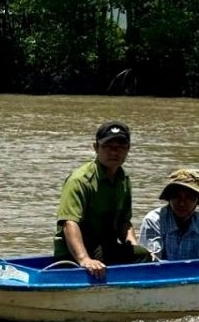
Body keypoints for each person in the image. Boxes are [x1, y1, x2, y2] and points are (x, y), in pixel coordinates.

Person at [54, 120, 152, 280]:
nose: (114, 152)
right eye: (108, 146)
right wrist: (84, 259)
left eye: (121, 147)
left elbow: (124, 223)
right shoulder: (80, 180)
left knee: (142, 254)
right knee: (142, 256)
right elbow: (69, 223)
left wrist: (133, 245)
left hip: (105, 249)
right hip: (75, 252)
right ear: (96, 148)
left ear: (128, 149)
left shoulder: (123, 179)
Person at [137, 168, 199, 261]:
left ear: (198, 201)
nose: (182, 203)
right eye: (176, 196)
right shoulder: (154, 221)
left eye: (189, 197)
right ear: (169, 198)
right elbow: (151, 263)